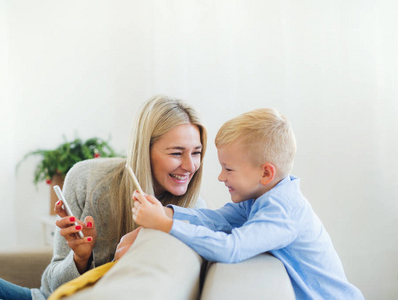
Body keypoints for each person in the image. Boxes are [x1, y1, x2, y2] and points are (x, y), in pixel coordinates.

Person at [0, 95, 207, 300]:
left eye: (196, 152)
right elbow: (48, 287)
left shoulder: (191, 217)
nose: (190, 165)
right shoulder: (88, 178)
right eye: (176, 153)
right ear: (143, 151)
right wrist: (79, 259)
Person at [132, 108, 364, 299]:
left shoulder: (282, 210)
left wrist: (165, 224)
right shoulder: (260, 198)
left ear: (265, 173)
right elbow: (217, 219)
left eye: (229, 169)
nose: (221, 177)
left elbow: (231, 248)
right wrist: (167, 212)